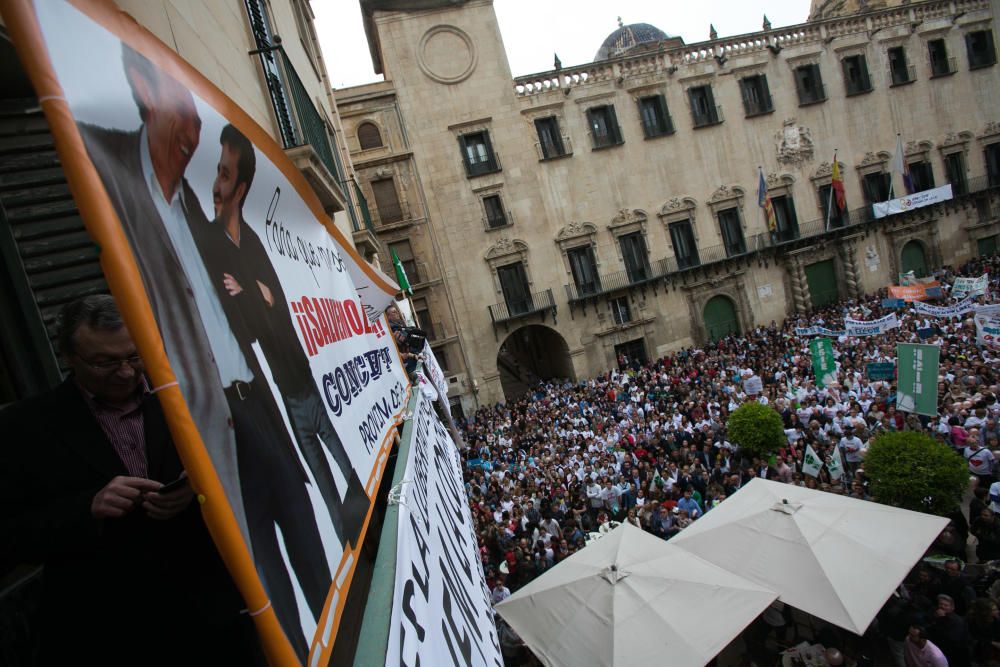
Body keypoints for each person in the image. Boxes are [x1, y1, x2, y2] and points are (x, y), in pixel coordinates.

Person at [76, 45, 329, 659]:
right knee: (263, 577)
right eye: (181, 112)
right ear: (139, 85)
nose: (191, 133)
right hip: (206, 423)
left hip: (255, 408)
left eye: (195, 117)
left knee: (311, 552)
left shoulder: (190, 205)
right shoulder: (103, 164)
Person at [0, 296, 261, 666]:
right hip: (107, 630)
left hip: (210, 617)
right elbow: (9, 536)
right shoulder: (24, 428)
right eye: (105, 362)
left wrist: (201, 485)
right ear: (69, 356)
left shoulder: (189, 397)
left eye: (134, 357)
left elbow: (250, 467)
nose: (125, 373)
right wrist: (87, 507)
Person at [194, 123, 369, 547]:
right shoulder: (215, 246)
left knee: (350, 475)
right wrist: (258, 295)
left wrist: (254, 292)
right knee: (326, 490)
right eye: (216, 172)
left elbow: (278, 308)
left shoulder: (252, 244)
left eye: (224, 175)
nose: (216, 186)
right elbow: (256, 320)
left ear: (241, 189)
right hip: (288, 399)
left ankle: (366, 532)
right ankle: (351, 547)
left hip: (309, 388)